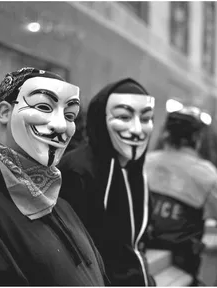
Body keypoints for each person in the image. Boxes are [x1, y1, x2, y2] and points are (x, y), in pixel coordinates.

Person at [0, 67, 107, 286]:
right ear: (4, 113)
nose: (61, 126)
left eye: (70, 115)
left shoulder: (60, 203)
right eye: (43, 107)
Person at [58, 78, 155, 286]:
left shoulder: (134, 171)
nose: (137, 129)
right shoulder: (78, 171)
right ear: (101, 119)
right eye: (124, 116)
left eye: (146, 118)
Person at [144, 106, 217, 283]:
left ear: (165, 134)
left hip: (143, 253)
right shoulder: (205, 173)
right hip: (181, 259)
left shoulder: (145, 162)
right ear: (197, 139)